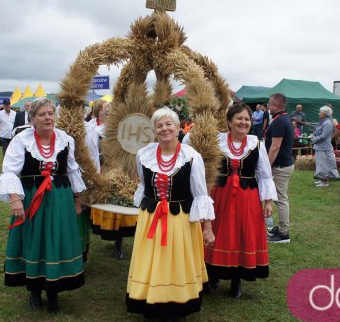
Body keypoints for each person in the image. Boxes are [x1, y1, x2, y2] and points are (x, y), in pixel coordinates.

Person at [0, 97, 86, 313]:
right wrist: (15, 199)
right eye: (42, 114)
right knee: (34, 239)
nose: (47, 118)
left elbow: (72, 171)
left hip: (60, 199)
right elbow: (9, 171)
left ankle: (53, 292)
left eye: (50, 113)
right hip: (32, 197)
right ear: (32, 118)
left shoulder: (65, 139)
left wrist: (77, 200)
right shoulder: (22, 140)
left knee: (56, 239)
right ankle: (34, 289)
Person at [126, 107, 215, 320]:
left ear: (178, 128)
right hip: (151, 219)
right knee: (151, 260)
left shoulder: (191, 156)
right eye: (159, 125)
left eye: (169, 124)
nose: (164, 129)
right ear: (154, 131)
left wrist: (208, 228)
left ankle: (177, 303)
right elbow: (143, 184)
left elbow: (201, 194)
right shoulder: (144, 154)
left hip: (181, 220)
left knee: (176, 261)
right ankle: (150, 299)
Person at [205, 103, 276, 299]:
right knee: (217, 232)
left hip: (247, 198)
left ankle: (236, 280)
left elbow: (264, 175)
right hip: (219, 195)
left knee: (241, 235)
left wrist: (268, 201)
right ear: (229, 122)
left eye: (246, 119)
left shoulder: (256, 144)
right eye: (239, 118)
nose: (243, 122)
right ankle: (213, 275)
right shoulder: (216, 141)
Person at [88, 100, 135, 259]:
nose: (109, 115)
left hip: (122, 172)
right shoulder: (96, 130)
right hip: (104, 170)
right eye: (106, 113)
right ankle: (111, 235)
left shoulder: (124, 131)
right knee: (107, 202)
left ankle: (118, 244)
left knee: (120, 205)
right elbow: (93, 152)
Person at [265, 93, 295, 244]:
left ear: (276, 106)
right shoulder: (284, 119)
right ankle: (281, 229)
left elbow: (275, 146)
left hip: (280, 166)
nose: (268, 107)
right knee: (281, 198)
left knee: (281, 199)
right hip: (284, 164)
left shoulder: (279, 122)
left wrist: (266, 166)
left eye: (270, 104)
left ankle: (284, 233)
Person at [312, 106, 340, 187]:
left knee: (324, 164)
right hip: (320, 146)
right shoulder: (323, 122)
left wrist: (313, 139)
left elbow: (323, 136)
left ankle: (325, 182)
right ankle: (322, 180)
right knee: (321, 164)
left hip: (324, 147)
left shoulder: (327, 123)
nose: (319, 113)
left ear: (325, 113)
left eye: (320, 112)